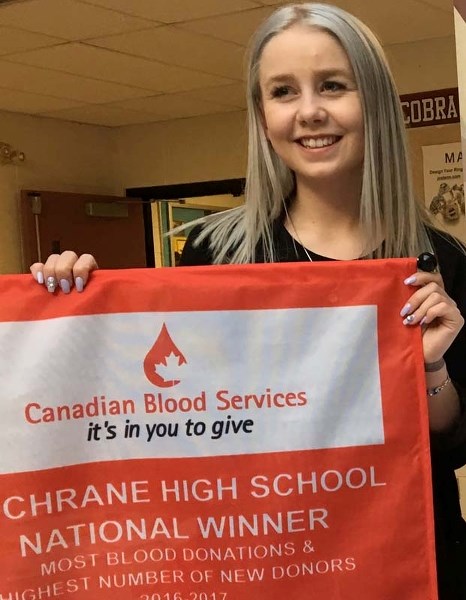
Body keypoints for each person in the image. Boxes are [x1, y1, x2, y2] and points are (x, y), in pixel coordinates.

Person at [30, 3, 466, 597]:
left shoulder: (440, 259)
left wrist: (432, 367)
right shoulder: (217, 251)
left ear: (377, 104)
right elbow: (176, 416)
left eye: (333, 85)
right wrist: (76, 308)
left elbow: (454, 444)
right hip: (265, 556)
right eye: (283, 91)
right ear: (263, 117)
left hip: (411, 558)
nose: (310, 111)